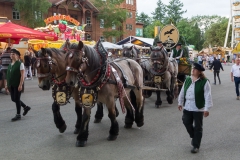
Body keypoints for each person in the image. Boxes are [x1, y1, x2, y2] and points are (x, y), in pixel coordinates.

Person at [178, 63, 213, 153]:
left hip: (198, 108)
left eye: (195, 69)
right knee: (185, 121)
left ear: (199, 72)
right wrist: (180, 102)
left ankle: (195, 145)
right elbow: (182, 91)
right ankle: (194, 136)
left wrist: (206, 109)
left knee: (198, 127)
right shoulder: (188, 79)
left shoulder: (205, 81)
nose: (192, 70)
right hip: (188, 106)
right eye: (193, 69)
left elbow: (207, 96)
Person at [5, 49, 31, 121]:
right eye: (11, 54)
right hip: (11, 84)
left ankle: (18, 114)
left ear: (17, 56)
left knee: (17, 99)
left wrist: (20, 85)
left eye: (13, 54)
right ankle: (26, 107)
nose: (11, 55)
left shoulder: (20, 64)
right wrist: (7, 84)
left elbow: (22, 75)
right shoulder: (10, 65)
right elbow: (8, 75)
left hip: (17, 84)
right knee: (13, 99)